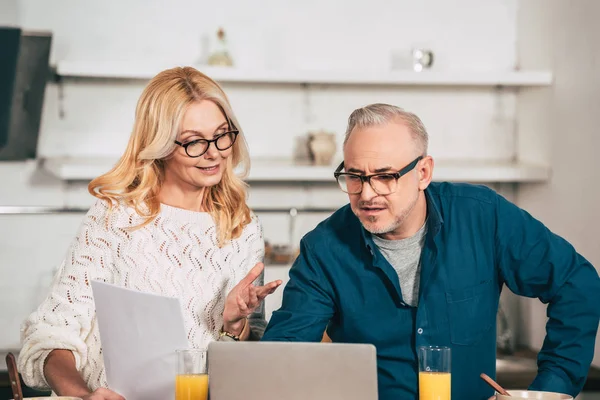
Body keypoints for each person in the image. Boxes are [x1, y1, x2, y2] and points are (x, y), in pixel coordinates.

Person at [262, 103, 600, 400]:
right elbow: (283, 357)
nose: (367, 194)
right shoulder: (323, 248)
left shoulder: (484, 216)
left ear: (423, 172)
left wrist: (549, 389)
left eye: (385, 176)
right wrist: (236, 332)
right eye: (355, 176)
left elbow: (577, 284)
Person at [18, 66, 282, 400]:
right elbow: (51, 334)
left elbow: (253, 352)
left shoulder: (242, 227)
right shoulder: (115, 217)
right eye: (194, 142)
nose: (214, 151)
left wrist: (235, 326)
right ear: (159, 145)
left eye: (222, 134)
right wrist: (84, 395)